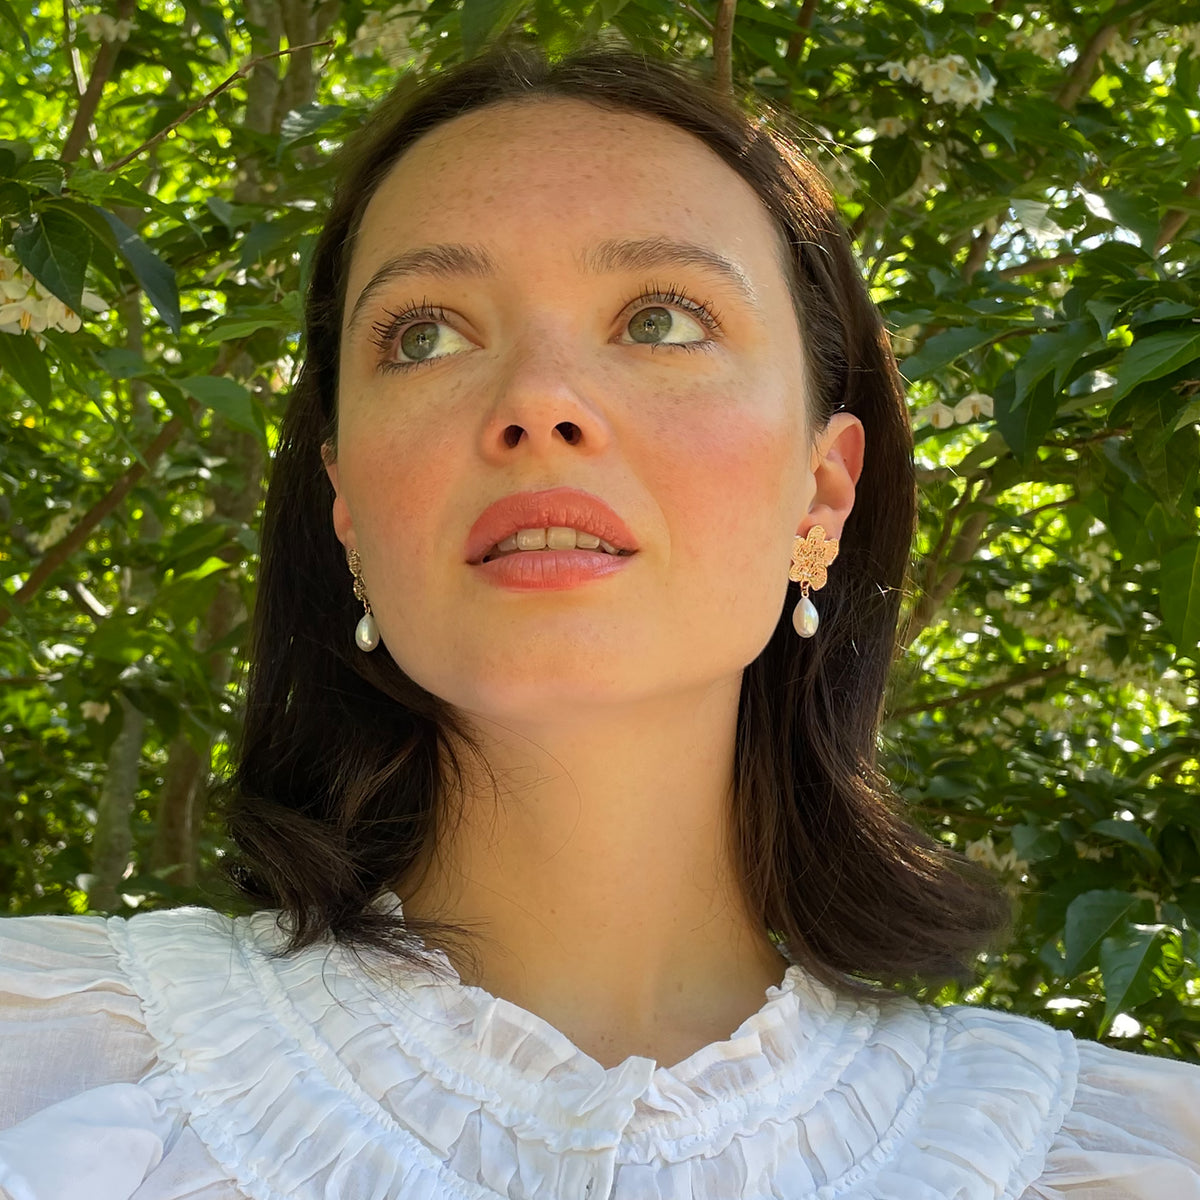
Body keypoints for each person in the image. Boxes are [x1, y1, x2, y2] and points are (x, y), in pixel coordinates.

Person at [2, 35, 1198, 1200]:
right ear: (347, 504)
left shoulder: (1123, 1159)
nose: (538, 404)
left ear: (824, 488)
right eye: (424, 334)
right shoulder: (46, 1074)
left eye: (660, 318)